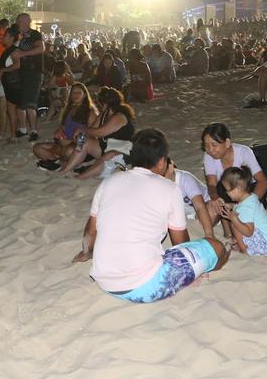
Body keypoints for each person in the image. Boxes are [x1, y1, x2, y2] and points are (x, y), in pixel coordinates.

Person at [83, 129, 228, 303]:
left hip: (104, 280)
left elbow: (90, 233)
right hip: (144, 287)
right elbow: (181, 244)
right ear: (161, 162)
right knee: (217, 247)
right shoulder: (169, 188)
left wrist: (85, 252)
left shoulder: (109, 182)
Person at [201, 123, 267, 232]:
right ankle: (227, 231)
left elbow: (263, 182)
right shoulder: (208, 156)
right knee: (209, 215)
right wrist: (214, 198)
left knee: (245, 222)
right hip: (226, 195)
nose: (210, 150)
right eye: (206, 145)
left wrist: (245, 204)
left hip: (248, 193)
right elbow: (211, 184)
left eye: (214, 145)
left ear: (227, 143)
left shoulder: (244, 152)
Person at [218, 166, 267, 256]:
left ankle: (245, 250)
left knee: (235, 225)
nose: (226, 193)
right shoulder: (251, 197)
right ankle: (245, 244)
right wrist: (231, 206)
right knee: (238, 221)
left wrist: (234, 219)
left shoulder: (245, 208)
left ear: (238, 188)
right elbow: (240, 206)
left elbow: (248, 232)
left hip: (265, 243)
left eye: (228, 190)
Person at [10, 13, 45, 141]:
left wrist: (23, 53)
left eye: (26, 21)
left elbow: (41, 48)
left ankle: (34, 131)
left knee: (30, 103)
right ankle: (23, 129)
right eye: (21, 21)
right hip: (18, 72)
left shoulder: (35, 34)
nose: (23, 23)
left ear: (29, 21)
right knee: (20, 103)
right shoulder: (15, 36)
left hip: (33, 71)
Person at [0, 28, 22, 142]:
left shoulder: (14, 51)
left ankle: (13, 136)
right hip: (5, 83)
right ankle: (2, 134)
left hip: (12, 83)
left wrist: (4, 70)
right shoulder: (7, 50)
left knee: (11, 110)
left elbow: (18, 65)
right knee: (1, 109)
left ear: (11, 38)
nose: (3, 37)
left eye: (5, 35)